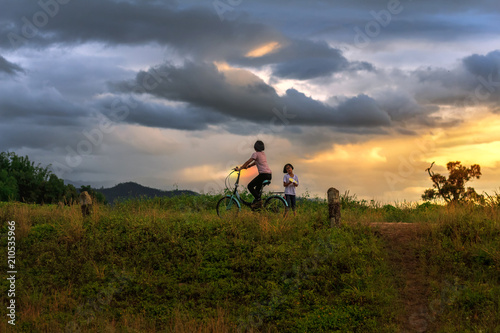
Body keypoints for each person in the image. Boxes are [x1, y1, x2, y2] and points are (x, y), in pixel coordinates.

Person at [235, 140, 272, 208]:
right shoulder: (263, 154)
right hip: (269, 175)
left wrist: (240, 168)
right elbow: (256, 162)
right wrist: (248, 167)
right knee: (257, 191)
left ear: (255, 147)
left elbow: (248, 161)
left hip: (263, 175)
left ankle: (259, 200)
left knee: (250, 186)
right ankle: (257, 207)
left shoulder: (255, 154)